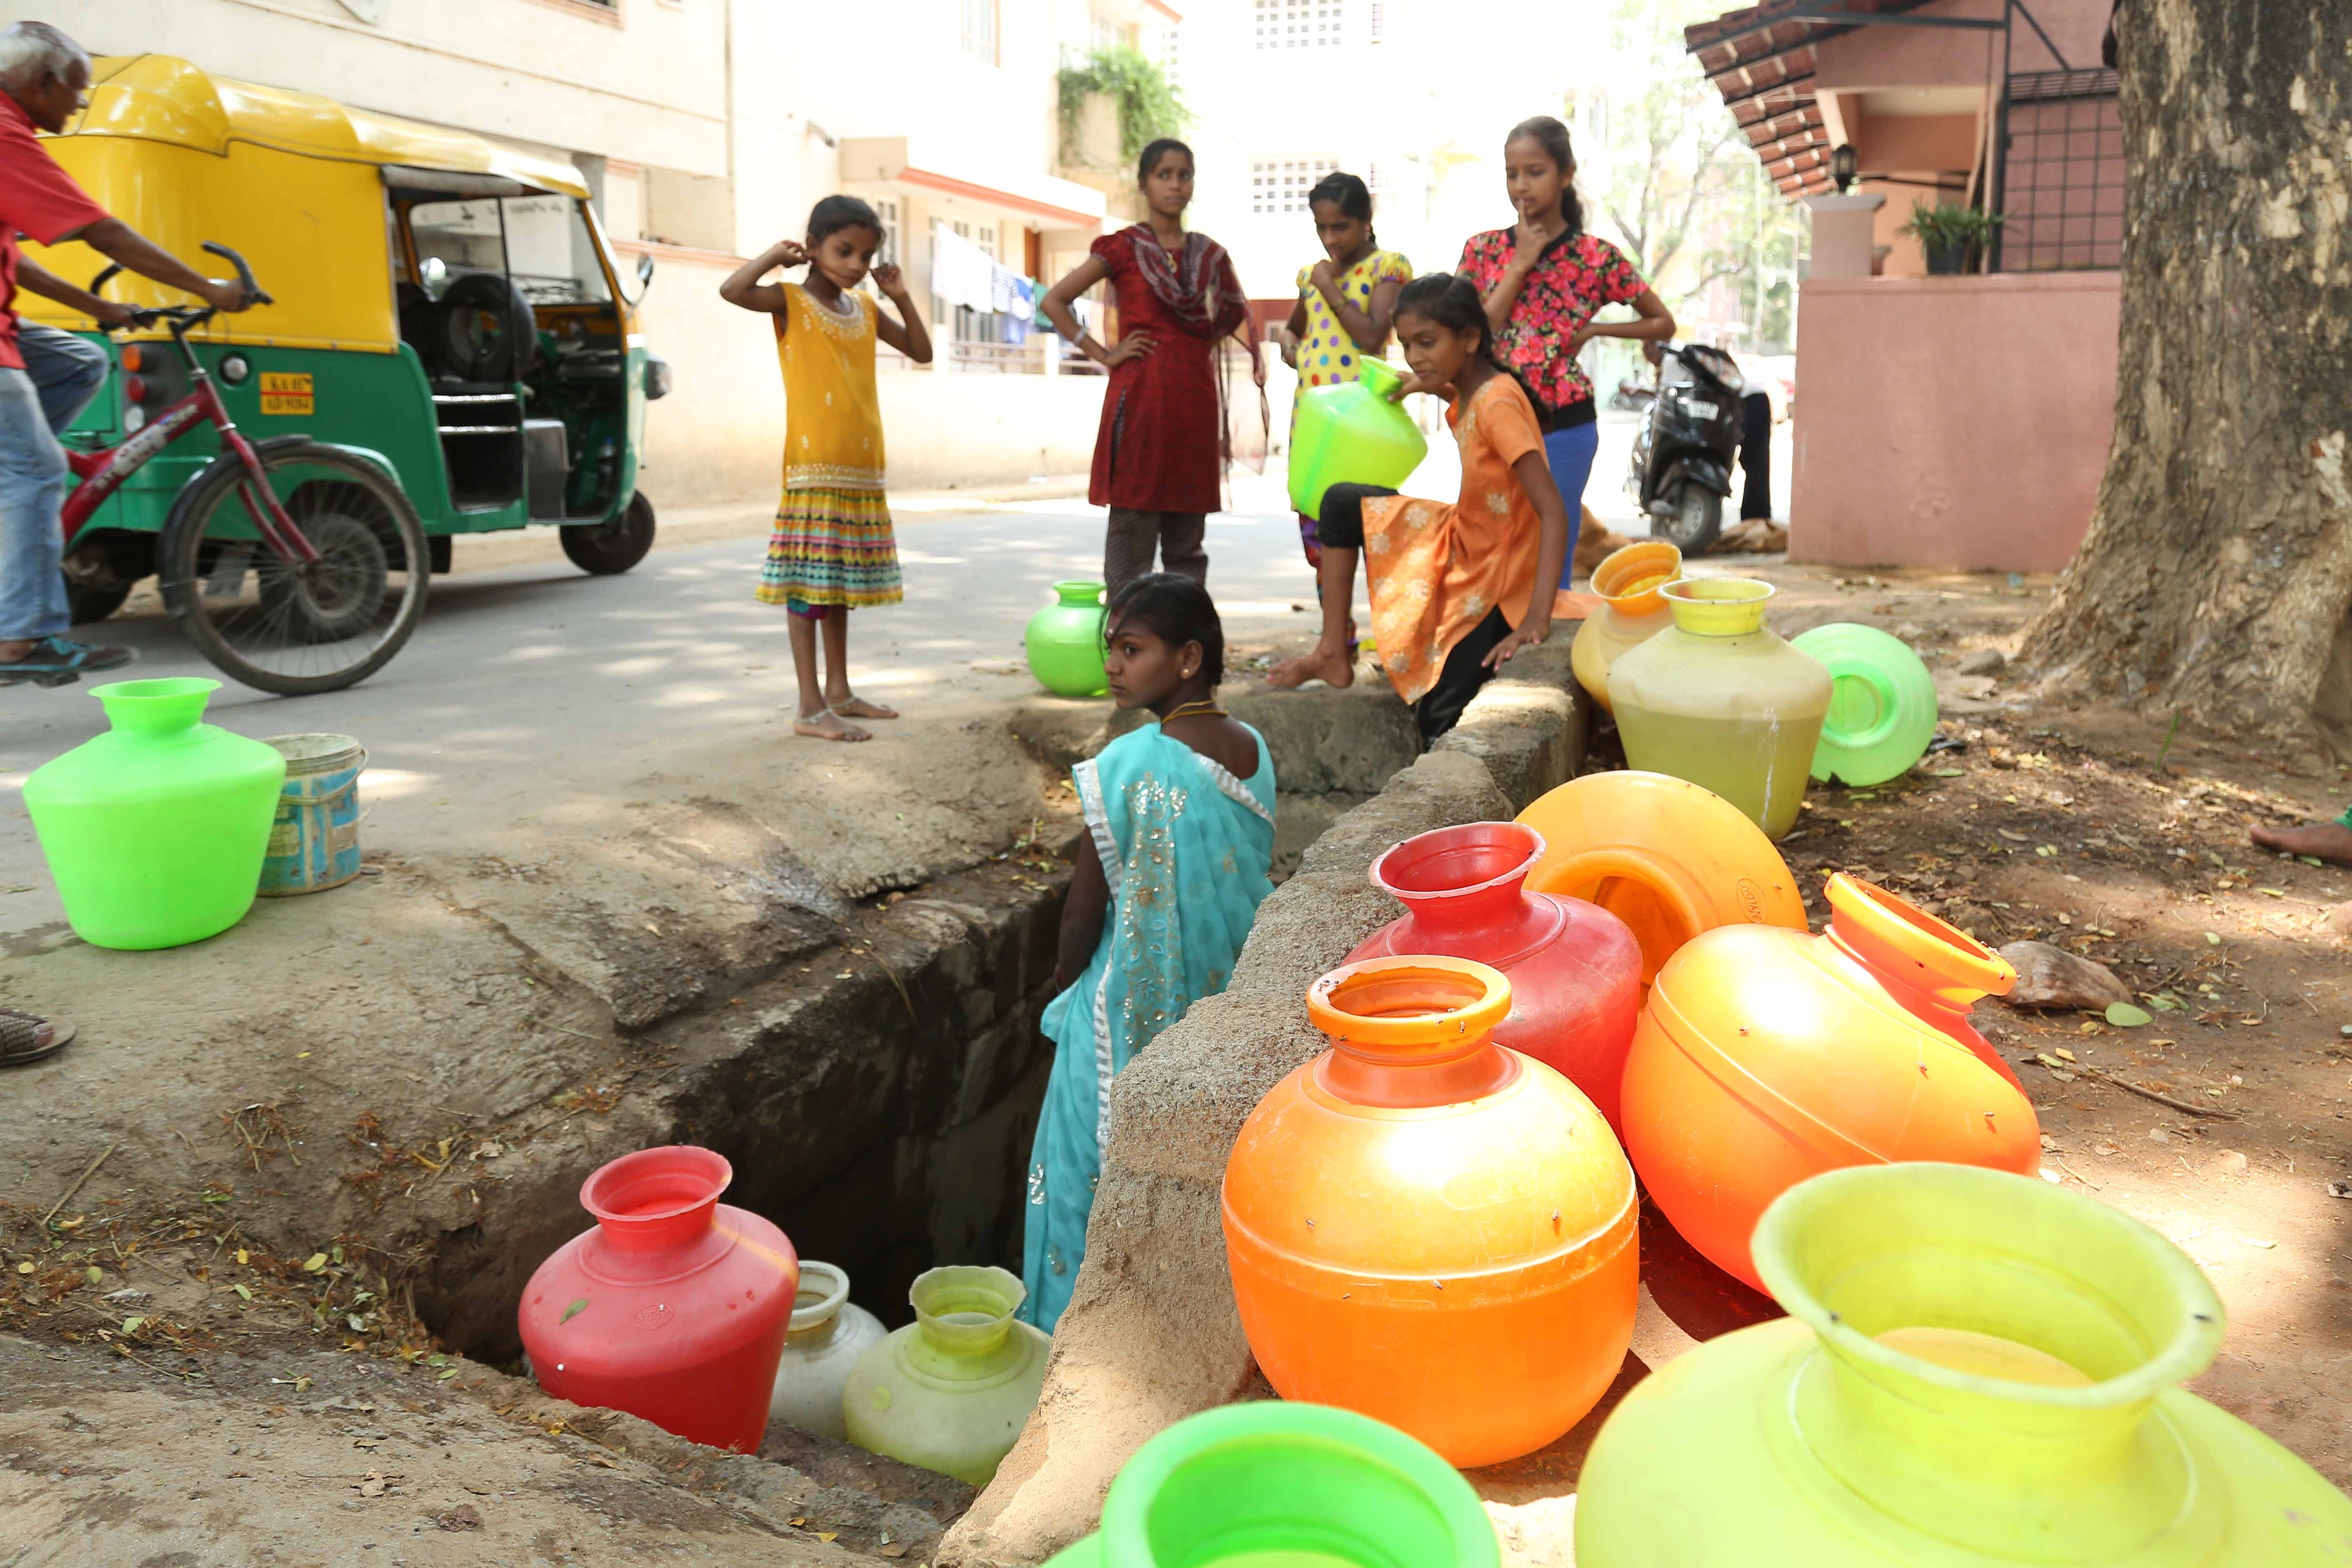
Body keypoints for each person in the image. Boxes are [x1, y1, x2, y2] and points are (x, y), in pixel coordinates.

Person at [1019, 573, 1275, 1332]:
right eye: (1111, 650)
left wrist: (1067, 990)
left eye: (1132, 649)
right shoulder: (1252, 748)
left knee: (1072, 1176)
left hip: (1118, 1010)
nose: (1114, 666)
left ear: (1188, 658)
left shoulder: (1132, 762)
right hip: (1221, 1004)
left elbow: (1081, 916)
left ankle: (1066, 1334)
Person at [0, 21, 254, 686]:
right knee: (32, 474)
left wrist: (100, 311)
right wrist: (209, 288)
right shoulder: (3, 133)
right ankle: (23, 641)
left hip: (7, 325)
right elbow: (103, 231)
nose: (79, 106)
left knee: (81, 360)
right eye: (78, 91)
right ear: (43, 81)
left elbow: (14, 258)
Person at [1268, 274, 1572, 746]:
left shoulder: (1499, 403)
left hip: (1495, 579)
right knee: (1341, 503)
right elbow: (1461, 398)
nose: (1414, 356)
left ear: (1469, 339)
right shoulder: (1472, 390)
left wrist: (1535, 620)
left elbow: (1552, 512)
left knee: (1440, 715)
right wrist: (1420, 385)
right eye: (1407, 344)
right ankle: (1332, 651)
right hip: (1461, 536)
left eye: (1426, 343)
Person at [720, 196, 931, 742]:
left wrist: (901, 297)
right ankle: (809, 708)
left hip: (860, 465)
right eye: (844, 250)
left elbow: (920, 349)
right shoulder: (789, 300)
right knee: (808, 587)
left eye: (866, 254)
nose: (858, 264)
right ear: (812, 247)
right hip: (813, 468)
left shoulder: (863, 307)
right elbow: (732, 290)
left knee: (836, 587)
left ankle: (839, 692)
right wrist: (773, 255)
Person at [1040, 139, 1265, 597]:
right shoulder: (1121, 249)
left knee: (1187, 541)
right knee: (1132, 527)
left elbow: (1230, 317)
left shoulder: (1211, 256)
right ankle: (1128, 641)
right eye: (1164, 174)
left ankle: (1184, 648)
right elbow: (1054, 301)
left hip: (1192, 406)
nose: (1175, 184)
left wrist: (1187, 346)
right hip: (1139, 403)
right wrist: (1102, 353)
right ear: (1143, 183)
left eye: (1184, 175)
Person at [1456, 115, 1674, 589]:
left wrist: (1595, 327)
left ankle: (1544, 651)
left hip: (1565, 422)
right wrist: (1519, 264)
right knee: (1491, 544)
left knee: (1553, 542)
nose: (1521, 186)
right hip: (1492, 420)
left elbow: (1662, 321)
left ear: (1566, 174)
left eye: (1534, 172)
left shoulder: (1595, 256)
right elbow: (1473, 335)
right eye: (1511, 174)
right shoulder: (1483, 250)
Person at [1278, 171, 1410, 647]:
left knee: (1370, 530)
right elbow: (1292, 330)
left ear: (1366, 222)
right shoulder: (1309, 278)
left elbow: (1373, 335)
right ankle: (1338, 638)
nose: (1331, 239)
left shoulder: (1386, 268)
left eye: (1341, 227)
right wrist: (1289, 347)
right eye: (1322, 228)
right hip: (1313, 425)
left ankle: (1397, 641)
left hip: (1362, 429)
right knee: (1317, 533)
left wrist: (1330, 288)